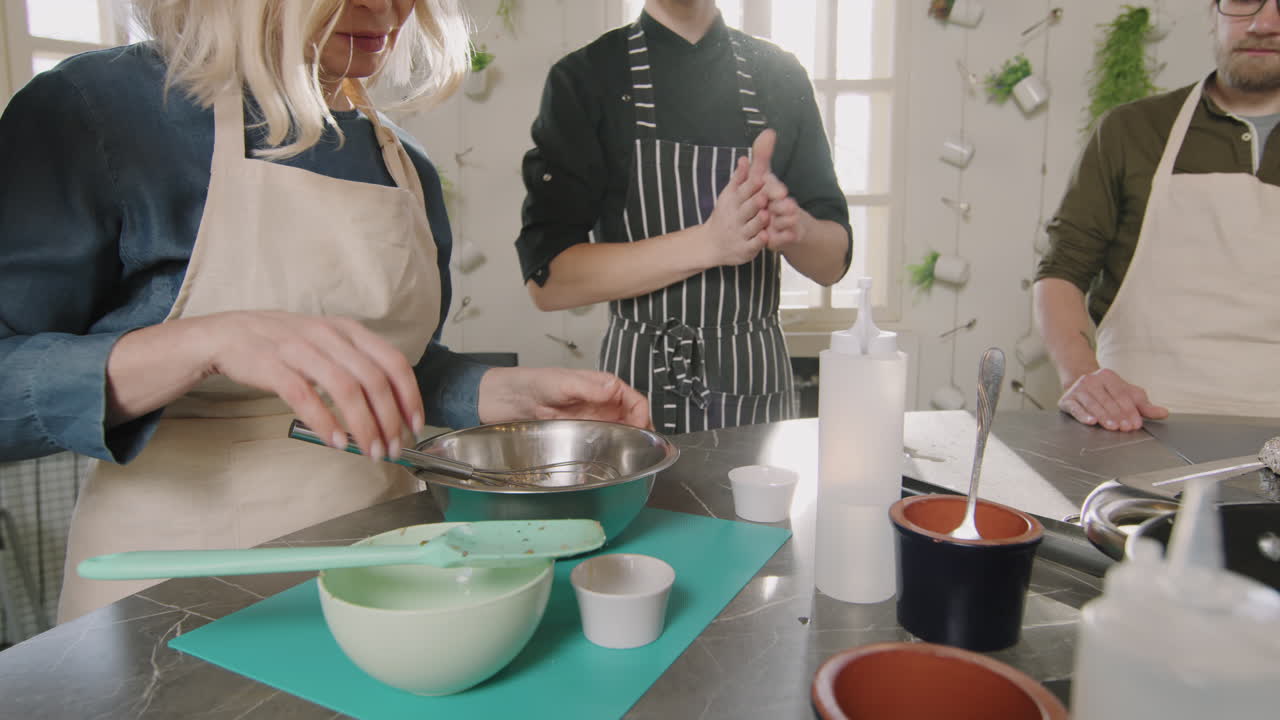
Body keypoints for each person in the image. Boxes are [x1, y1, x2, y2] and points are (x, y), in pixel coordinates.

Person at [0, 0, 649, 624]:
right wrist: (203, 344)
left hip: (388, 568)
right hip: (176, 593)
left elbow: (392, 370)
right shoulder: (99, 110)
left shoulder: (402, 163)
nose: (388, 9)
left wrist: (501, 393)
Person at [515, 0, 851, 435]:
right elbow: (549, 281)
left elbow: (832, 262)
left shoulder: (781, 76)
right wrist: (709, 243)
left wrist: (795, 229)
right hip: (633, 393)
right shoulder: (586, 79)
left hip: (754, 383)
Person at [1034, 0, 1280, 431]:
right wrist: (1083, 379)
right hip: (1132, 424)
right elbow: (1061, 272)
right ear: (1213, 14)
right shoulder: (1131, 131)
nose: (1264, 24)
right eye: (1244, 1)